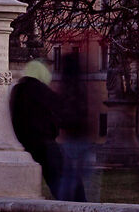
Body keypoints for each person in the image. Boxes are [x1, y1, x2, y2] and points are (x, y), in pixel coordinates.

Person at [9, 60, 63, 197]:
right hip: (43, 140)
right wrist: (53, 130)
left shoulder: (17, 89)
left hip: (26, 140)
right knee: (62, 174)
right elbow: (59, 108)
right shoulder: (39, 89)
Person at [54, 52, 97, 201]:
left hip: (72, 137)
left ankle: (69, 203)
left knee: (70, 176)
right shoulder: (77, 85)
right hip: (78, 136)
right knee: (78, 176)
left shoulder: (65, 86)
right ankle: (83, 204)